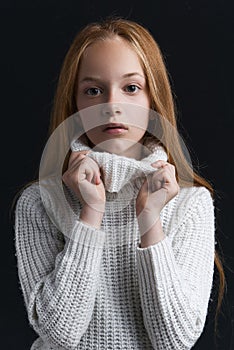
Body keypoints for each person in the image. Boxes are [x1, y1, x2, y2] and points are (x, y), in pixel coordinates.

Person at [14, 17, 225, 350]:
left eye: (131, 88)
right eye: (93, 90)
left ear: (152, 99)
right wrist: (91, 213)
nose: (112, 106)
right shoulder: (39, 202)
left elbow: (176, 340)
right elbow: (59, 333)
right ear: (76, 104)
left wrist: (150, 220)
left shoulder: (190, 203)